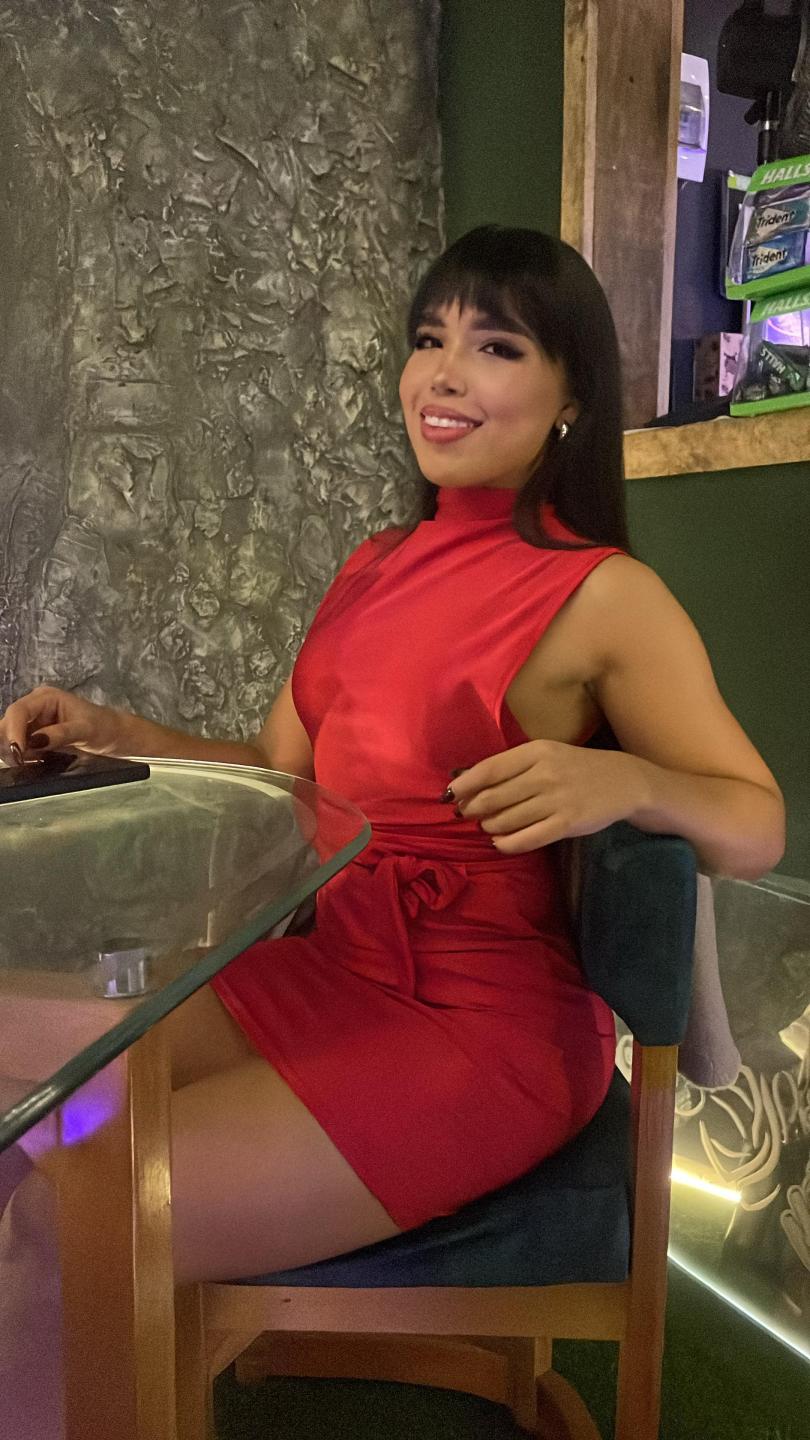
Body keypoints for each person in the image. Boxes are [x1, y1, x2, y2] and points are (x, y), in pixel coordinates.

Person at [0, 227, 785, 1292]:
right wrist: (116, 732)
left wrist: (628, 781)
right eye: (428, 339)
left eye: (496, 347)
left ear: (572, 397)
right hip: (330, 971)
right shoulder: (371, 565)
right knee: (26, 1103)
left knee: (65, 1215)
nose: (442, 375)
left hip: (479, 1030)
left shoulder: (606, 594)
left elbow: (756, 826)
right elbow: (278, 771)